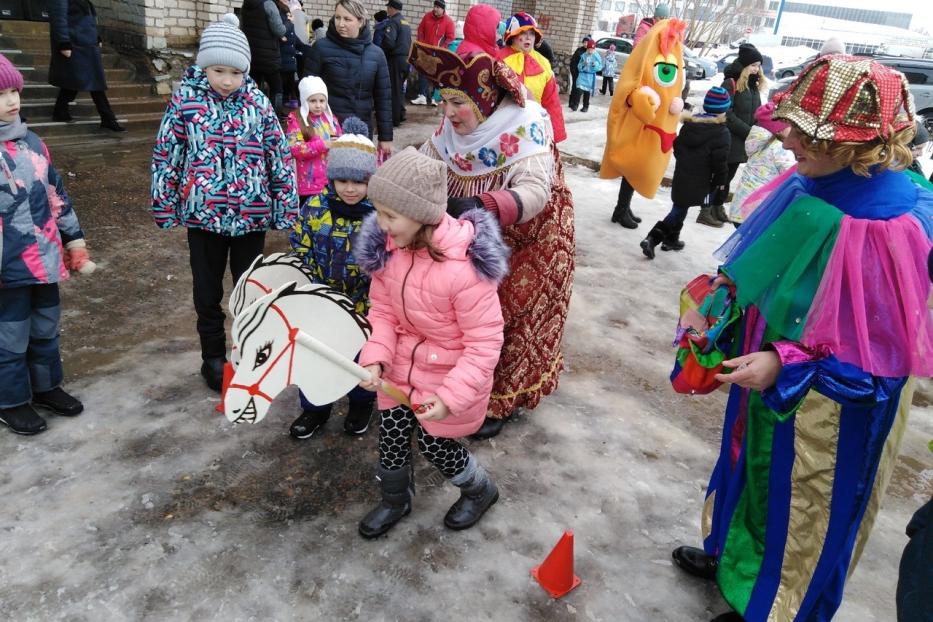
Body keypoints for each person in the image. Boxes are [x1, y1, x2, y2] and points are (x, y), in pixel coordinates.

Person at [671, 56, 933, 622]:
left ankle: (774, 608)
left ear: (858, 148)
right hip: (769, 363)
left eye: (807, 133)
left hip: (828, 402)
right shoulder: (810, 177)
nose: (785, 138)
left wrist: (783, 363)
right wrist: (723, 307)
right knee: (751, 466)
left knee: (805, 502)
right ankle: (734, 561)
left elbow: (877, 357)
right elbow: (770, 265)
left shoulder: (892, 223)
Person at [410, 3, 575, 439]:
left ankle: (502, 400)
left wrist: (485, 205)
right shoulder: (451, 130)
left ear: (482, 99)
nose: (448, 113)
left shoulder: (523, 127)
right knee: (467, 312)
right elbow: (426, 162)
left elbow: (537, 192)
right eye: (443, 101)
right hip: (476, 234)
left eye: (457, 103)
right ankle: (462, 388)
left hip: (530, 237)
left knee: (509, 313)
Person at [355, 146, 509, 537]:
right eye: (380, 212)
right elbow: (384, 313)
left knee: (436, 445)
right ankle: (395, 500)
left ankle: (479, 489)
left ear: (421, 214)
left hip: (446, 379)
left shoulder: (465, 271)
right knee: (390, 436)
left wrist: (451, 397)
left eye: (390, 215)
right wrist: (375, 357)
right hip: (401, 370)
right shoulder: (389, 252)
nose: (381, 224)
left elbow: (484, 344)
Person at [150, 14, 298, 392]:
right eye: (219, 71)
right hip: (204, 217)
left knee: (250, 290)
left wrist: (285, 206)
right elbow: (167, 156)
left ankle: (249, 350)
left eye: (235, 72)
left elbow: (278, 157)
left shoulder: (259, 104)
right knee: (207, 291)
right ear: (204, 66)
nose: (227, 80)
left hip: (251, 215)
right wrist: (165, 204)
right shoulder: (185, 101)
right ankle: (213, 356)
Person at [0, 54, 95, 436]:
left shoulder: (33, 143)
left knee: (44, 329)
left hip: (44, 261)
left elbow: (56, 195)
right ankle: (10, 400)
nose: (12, 100)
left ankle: (45, 387)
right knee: (10, 337)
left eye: (14, 91)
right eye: (1, 94)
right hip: (8, 270)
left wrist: (73, 240)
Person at [289, 118, 377, 439]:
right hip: (321, 304)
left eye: (359, 181)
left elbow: (384, 265)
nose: (350, 188)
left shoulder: (379, 216)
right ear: (331, 177)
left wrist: (368, 303)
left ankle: (361, 402)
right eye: (342, 180)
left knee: (359, 357)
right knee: (316, 358)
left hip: (362, 307)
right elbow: (301, 251)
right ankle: (314, 408)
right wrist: (312, 294)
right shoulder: (313, 208)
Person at [640, 86, 731, 258]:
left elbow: (678, 146)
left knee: (681, 206)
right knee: (679, 209)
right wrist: (721, 181)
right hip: (703, 180)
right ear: (724, 110)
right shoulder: (721, 132)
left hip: (682, 175)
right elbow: (720, 162)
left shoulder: (690, 125)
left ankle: (671, 240)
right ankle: (652, 238)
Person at [305, 0, 393, 156]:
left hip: (361, 130)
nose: (340, 24)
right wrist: (306, 130)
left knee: (357, 178)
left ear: (360, 21)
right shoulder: (321, 48)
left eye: (347, 19)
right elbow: (305, 92)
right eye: (337, 18)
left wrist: (385, 136)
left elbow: (383, 98)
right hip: (326, 131)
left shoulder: (376, 54)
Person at [48, 0, 124, 131]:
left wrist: (97, 37)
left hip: (87, 44)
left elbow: (89, 19)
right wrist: (63, 43)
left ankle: (60, 111)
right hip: (75, 44)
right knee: (93, 82)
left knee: (79, 80)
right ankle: (108, 118)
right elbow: (58, 19)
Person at [711, 42, 766, 225]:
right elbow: (726, 112)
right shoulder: (731, 83)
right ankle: (707, 209)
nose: (757, 70)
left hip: (742, 141)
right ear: (744, 66)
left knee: (728, 177)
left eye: (758, 66)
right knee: (719, 176)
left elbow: (757, 111)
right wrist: (748, 130)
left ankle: (717, 207)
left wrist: (757, 128)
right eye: (753, 65)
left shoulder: (753, 86)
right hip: (728, 138)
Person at [499, 12, 566, 142]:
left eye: (531, 33)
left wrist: (554, 133)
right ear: (512, 36)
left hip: (534, 128)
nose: (528, 38)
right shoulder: (499, 59)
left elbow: (551, 100)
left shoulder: (543, 63)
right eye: (523, 33)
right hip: (505, 128)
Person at [728, 101, 795, 225]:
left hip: (742, 207)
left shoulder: (759, 143)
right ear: (779, 130)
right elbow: (793, 175)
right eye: (790, 126)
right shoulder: (780, 149)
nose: (793, 129)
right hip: (758, 210)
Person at [286, 76, 342, 204]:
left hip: (330, 181)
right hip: (308, 185)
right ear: (304, 101)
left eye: (322, 101)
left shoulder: (331, 119)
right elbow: (294, 149)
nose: (318, 105)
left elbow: (338, 140)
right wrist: (323, 144)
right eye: (313, 101)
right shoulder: (295, 120)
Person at [241, 0, 288, 112]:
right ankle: (275, 116)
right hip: (269, 56)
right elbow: (279, 30)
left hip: (251, 55)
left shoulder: (246, 4)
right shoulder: (268, 4)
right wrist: (287, 23)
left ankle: (251, 113)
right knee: (277, 88)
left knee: (253, 88)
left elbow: (242, 28)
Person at [411, 0, 455, 106]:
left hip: (438, 53)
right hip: (425, 51)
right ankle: (422, 96)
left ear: (443, 9)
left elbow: (450, 37)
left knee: (437, 74)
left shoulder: (448, 21)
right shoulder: (427, 17)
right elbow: (420, 30)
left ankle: (435, 98)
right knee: (423, 72)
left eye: (438, 7)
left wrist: (442, 48)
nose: (435, 9)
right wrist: (421, 43)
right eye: (434, 6)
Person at [379, 0, 412, 127]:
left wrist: (382, 53)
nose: (387, 10)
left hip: (395, 59)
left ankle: (394, 119)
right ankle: (400, 114)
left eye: (388, 7)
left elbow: (389, 42)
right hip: (405, 60)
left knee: (394, 89)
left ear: (392, 8)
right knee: (399, 89)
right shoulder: (405, 22)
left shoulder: (393, 21)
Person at [278, 2, 300, 107]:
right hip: (283, 57)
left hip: (290, 58)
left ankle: (289, 100)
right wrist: (289, 22)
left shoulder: (289, 22)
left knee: (291, 82)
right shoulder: (286, 22)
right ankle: (284, 102)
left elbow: (294, 39)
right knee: (284, 82)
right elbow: (282, 31)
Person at [575, 39, 603, 113]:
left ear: (594, 49)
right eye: (589, 49)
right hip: (582, 75)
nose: (590, 50)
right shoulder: (584, 55)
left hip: (590, 77)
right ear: (587, 49)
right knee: (578, 90)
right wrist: (583, 64)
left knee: (587, 93)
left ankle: (585, 106)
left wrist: (595, 65)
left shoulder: (596, 56)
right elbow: (579, 66)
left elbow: (600, 66)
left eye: (591, 49)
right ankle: (575, 105)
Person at [568, 36, 589, 111]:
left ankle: (576, 104)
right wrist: (573, 70)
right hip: (576, 72)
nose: (585, 44)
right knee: (573, 87)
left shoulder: (589, 52)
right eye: (584, 42)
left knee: (579, 89)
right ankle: (571, 103)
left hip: (583, 74)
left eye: (587, 42)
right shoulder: (579, 50)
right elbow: (573, 60)